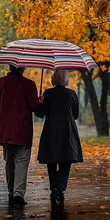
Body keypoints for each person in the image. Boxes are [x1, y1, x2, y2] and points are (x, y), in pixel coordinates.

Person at [0, 65, 43, 206]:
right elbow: (34, 107)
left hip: (5, 130)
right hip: (23, 131)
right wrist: (40, 101)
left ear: (9, 66)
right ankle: (18, 193)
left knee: (9, 162)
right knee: (21, 162)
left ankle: (11, 191)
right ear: (23, 68)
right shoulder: (29, 84)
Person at [35, 70, 83, 202]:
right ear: (66, 80)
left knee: (51, 160)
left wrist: (39, 103)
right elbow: (76, 115)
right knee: (66, 159)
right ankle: (60, 186)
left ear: (53, 79)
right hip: (68, 129)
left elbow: (40, 114)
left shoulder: (48, 93)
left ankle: (54, 187)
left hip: (51, 128)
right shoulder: (72, 94)